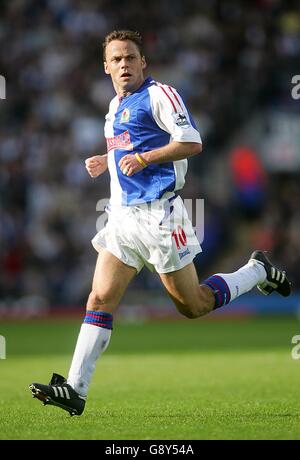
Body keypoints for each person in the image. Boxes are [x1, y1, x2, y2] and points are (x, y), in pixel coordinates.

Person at [29, 30, 291, 416]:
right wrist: (106, 159)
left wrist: (147, 159)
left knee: (193, 305)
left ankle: (256, 270)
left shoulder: (160, 95)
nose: (124, 65)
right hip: (121, 217)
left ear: (142, 62)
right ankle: (75, 388)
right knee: (99, 299)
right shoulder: (114, 106)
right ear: (106, 67)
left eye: (130, 58)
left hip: (159, 216)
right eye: (116, 59)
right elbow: (125, 143)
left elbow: (191, 142)